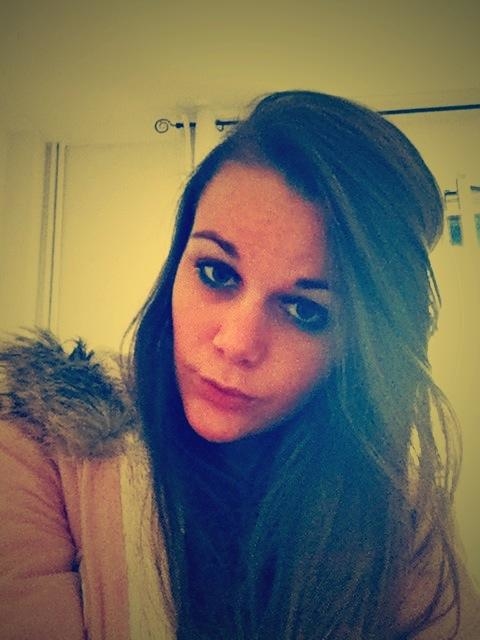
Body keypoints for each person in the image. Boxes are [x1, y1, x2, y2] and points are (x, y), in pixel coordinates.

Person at [0, 90, 479, 640]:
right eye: (216, 273)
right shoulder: (42, 442)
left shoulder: (394, 505)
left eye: (306, 310)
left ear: (360, 344)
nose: (236, 343)